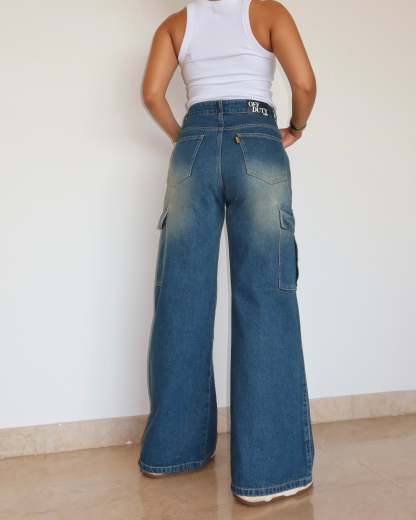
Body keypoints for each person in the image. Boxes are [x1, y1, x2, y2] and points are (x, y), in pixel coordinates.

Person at [138, 0, 317, 506]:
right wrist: (297, 127)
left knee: (181, 297)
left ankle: (173, 452)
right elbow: (304, 83)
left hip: (192, 145)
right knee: (266, 296)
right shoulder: (267, 12)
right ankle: (270, 472)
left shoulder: (176, 24)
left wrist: (186, 137)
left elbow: (151, 93)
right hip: (257, 139)